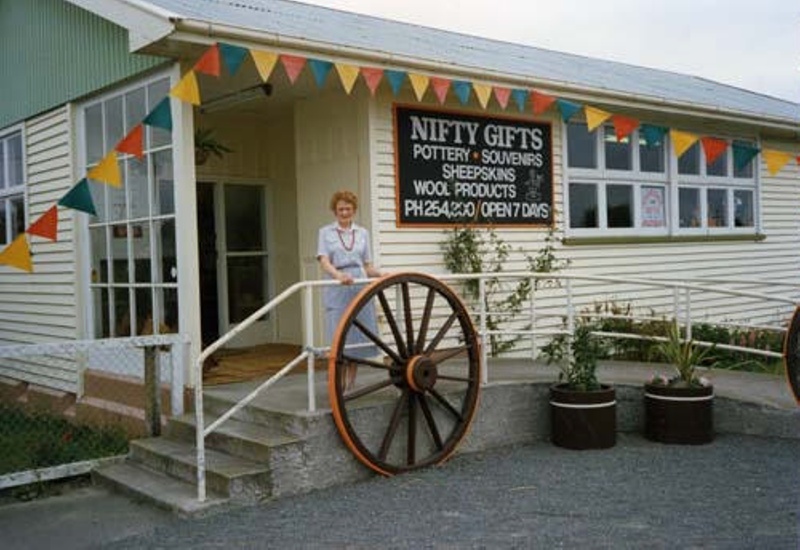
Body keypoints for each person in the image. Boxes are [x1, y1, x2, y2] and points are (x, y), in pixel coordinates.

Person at [317, 190, 381, 390]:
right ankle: (338, 384)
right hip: (338, 284)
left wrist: (381, 274)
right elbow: (324, 260)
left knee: (358, 334)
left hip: (359, 284)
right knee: (339, 333)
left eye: (348, 209)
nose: (344, 213)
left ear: (354, 210)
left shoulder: (362, 233)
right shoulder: (325, 232)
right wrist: (338, 275)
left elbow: (367, 265)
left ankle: (350, 384)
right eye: (340, 209)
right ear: (334, 211)